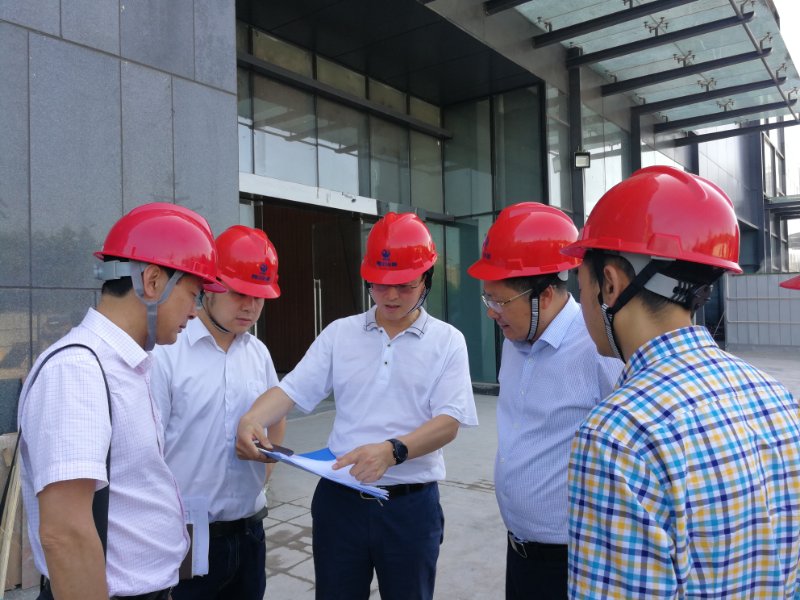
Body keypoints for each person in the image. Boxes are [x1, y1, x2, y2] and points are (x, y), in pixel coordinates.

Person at [561, 166, 800, 598]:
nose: (581, 305)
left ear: (610, 284)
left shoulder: (616, 436)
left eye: (581, 286)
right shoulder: (777, 400)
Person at [236, 212, 478, 600]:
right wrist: (252, 419)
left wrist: (392, 451)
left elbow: (449, 421)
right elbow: (292, 390)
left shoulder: (447, 341)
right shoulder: (341, 334)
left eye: (405, 285)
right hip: (340, 505)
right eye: (380, 286)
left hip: (409, 507)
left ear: (426, 279)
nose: (392, 296)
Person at [17, 203, 223, 600]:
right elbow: (65, 534)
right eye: (193, 294)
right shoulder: (78, 371)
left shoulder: (126, 365)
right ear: (152, 281)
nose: (196, 312)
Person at [466, 203, 621, 600]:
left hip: (571, 562)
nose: (492, 313)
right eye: (488, 299)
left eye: (500, 302)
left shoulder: (598, 349)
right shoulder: (514, 340)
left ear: (545, 294)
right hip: (518, 550)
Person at [150, 225, 286, 600]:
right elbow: (147, 448)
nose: (250, 306)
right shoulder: (168, 351)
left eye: (260, 297)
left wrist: (263, 477)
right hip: (186, 535)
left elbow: (277, 419)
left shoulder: (258, 353)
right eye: (239, 293)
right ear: (209, 286)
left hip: (250, 532)